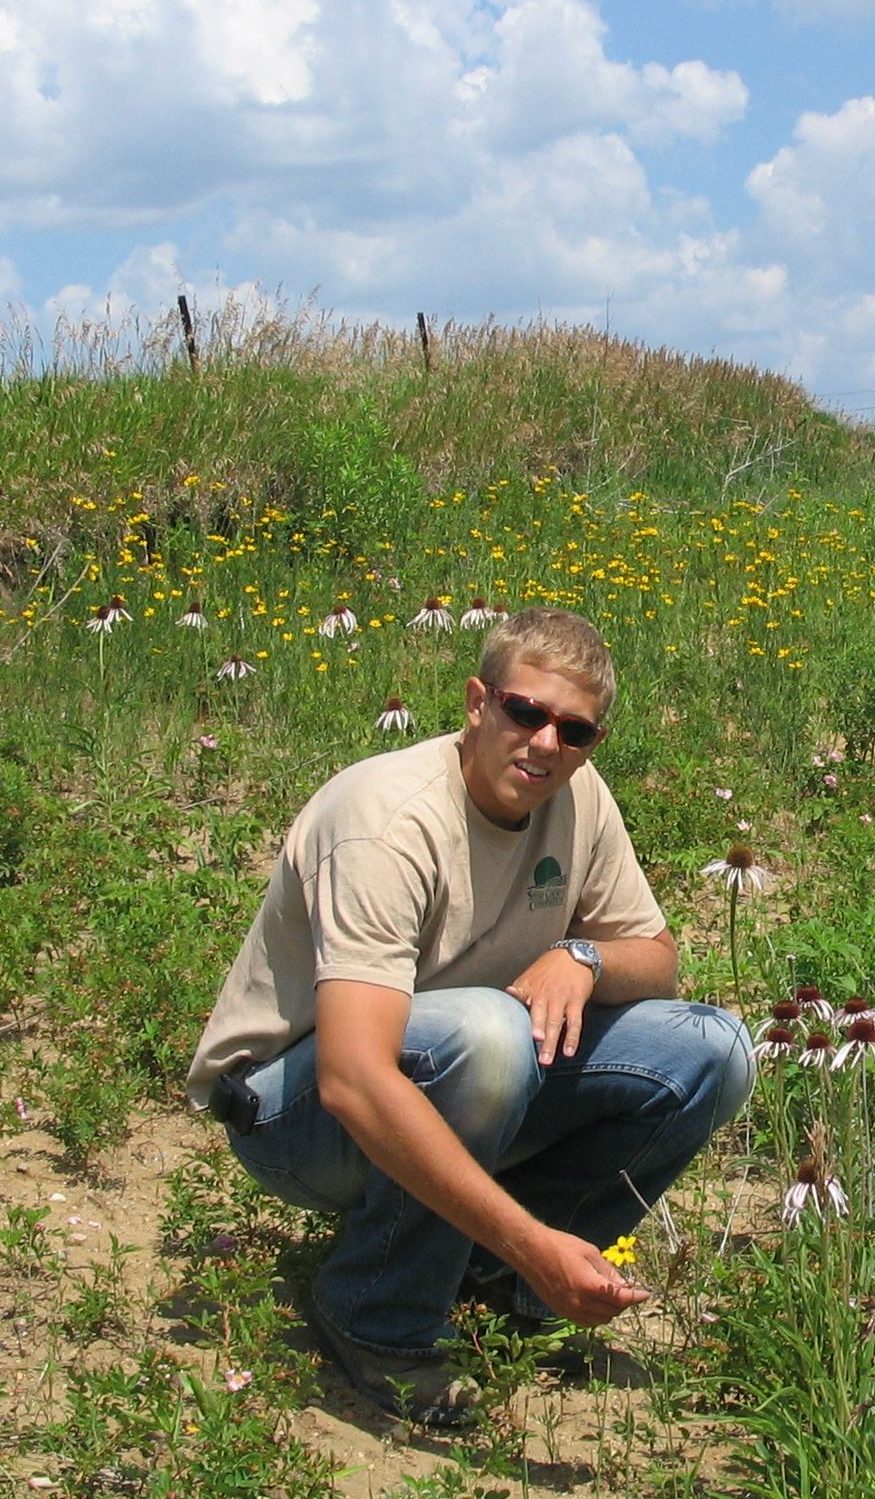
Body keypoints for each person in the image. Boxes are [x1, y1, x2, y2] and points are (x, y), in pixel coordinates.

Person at [187, 607, 753, 1427]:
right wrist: (534, 1235)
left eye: (576, 730)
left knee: (714, 1049)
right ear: (477, 703)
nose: (547, 743)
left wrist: (583, 959)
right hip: (293, 1115)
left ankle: (499, 1284)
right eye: (526, 712)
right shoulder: (388, 821)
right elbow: (351, 1079)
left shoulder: (576, 796)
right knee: (486, 1037)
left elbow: (656, 958)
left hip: (467, 1074)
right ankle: (378, 1312)